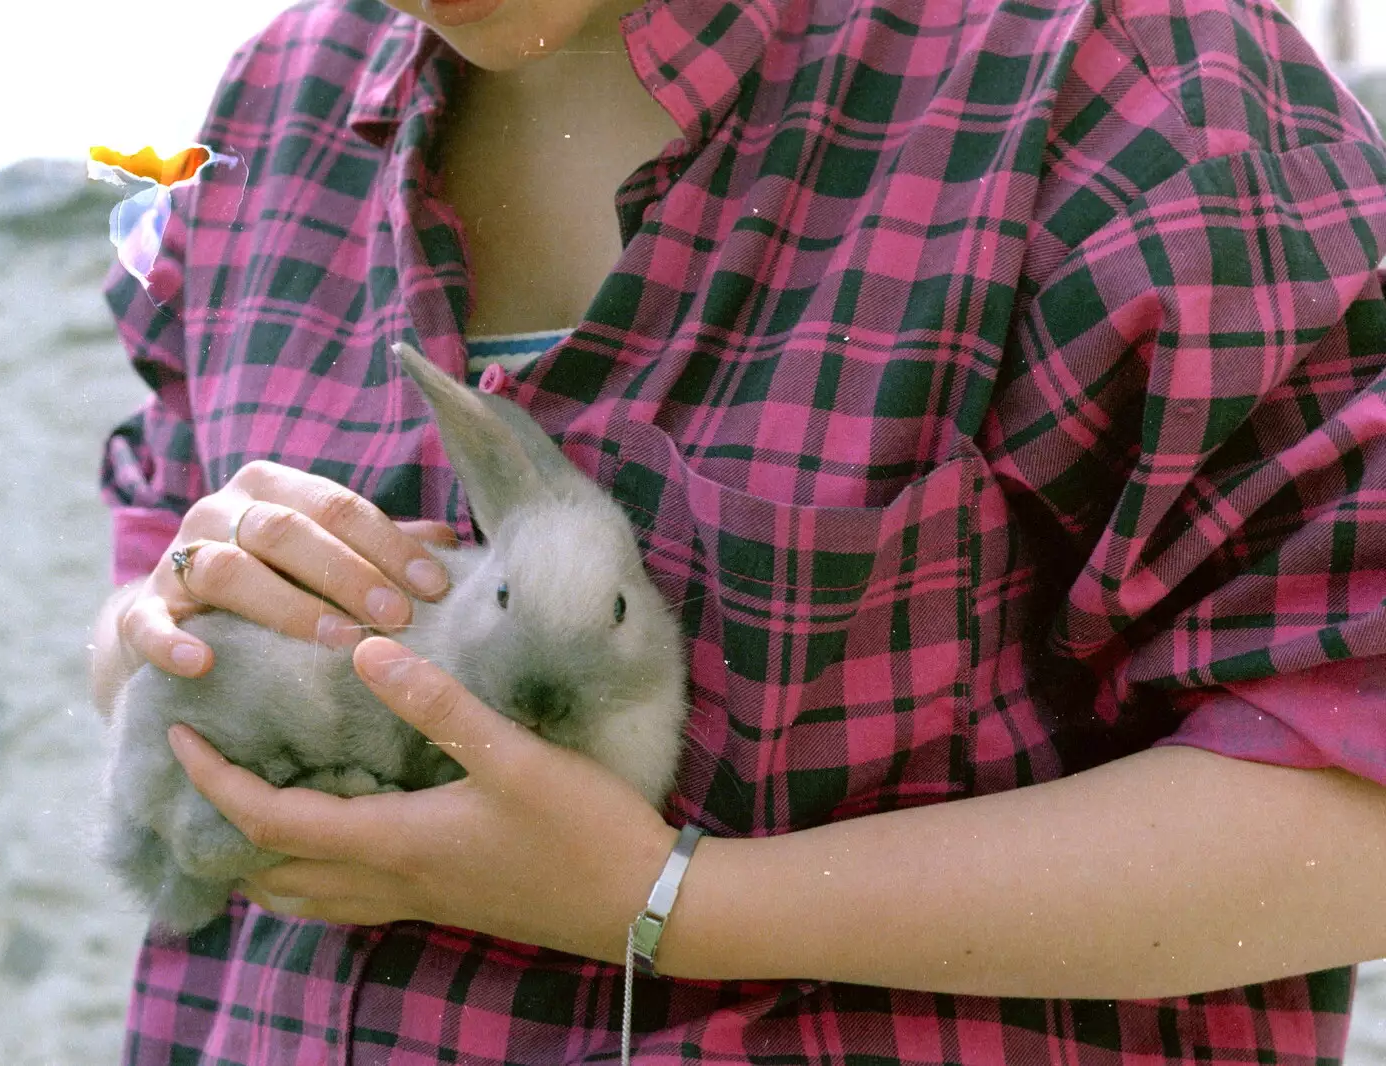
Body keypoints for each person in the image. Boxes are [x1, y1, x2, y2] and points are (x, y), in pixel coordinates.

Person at [87, 0, 1386, 1062]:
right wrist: (178, 621)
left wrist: (671, 902)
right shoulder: (272, 105)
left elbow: (1356, 809)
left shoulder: (1118, 74)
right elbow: (138, 599)